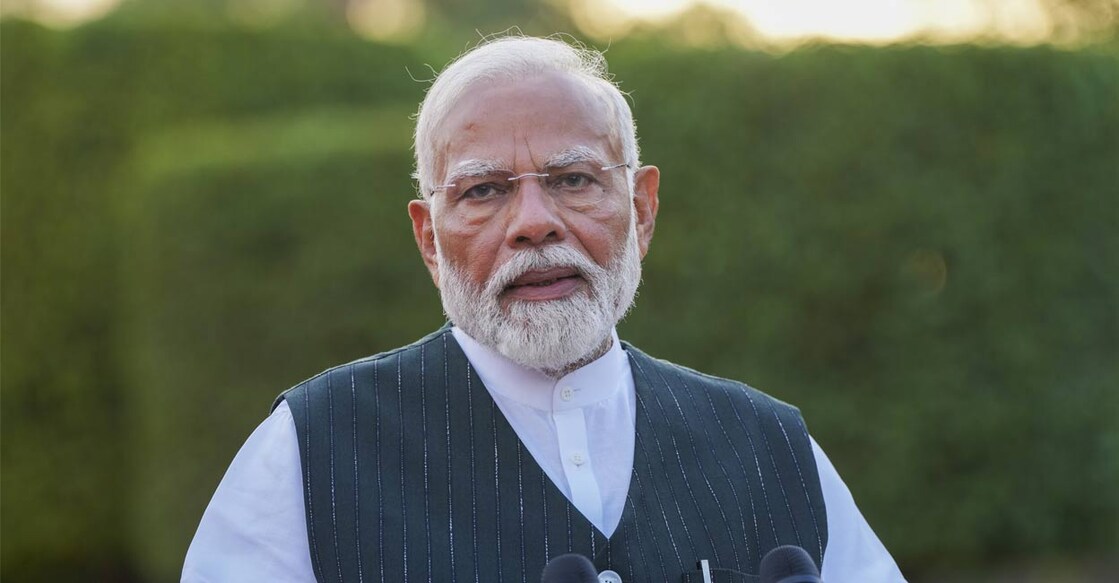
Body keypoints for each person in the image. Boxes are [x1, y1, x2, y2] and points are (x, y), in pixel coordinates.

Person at [183, 35, 905, 582]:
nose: (533, 222)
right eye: (484, 191)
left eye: (572, 178)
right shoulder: (310, 450)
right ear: (428, 238)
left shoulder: (768, 446)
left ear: (642, 208)